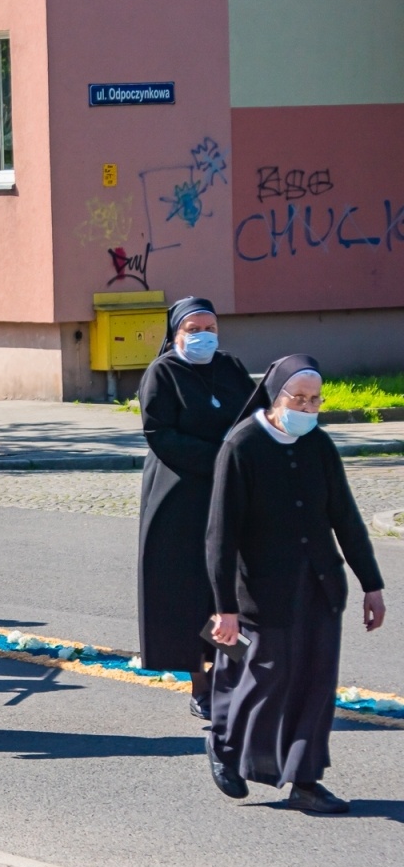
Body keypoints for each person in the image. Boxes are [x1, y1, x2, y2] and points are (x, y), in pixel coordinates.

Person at [204, 356, 386, 815]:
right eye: (298, 398)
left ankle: (305, 781)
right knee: (266, 677)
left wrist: (372, 584)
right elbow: (220, 536)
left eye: (315, 400)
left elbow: (344, 515)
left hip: (320, 586)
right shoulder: (241, 446)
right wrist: (224, 607)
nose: (307, 407)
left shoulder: (318, 445)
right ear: (275, 394)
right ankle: (225, 743)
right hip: (262, 591)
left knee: (315, 683)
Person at [137, 296, 256, 720]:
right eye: (194, 329)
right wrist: (219, 457)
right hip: (180, 493)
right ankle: (199, 680)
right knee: (188, 590)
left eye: (210, 328)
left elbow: (254, 416)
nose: (204, 337)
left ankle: (232, 670)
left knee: (227, 587)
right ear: (175, 334)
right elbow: (159, 433)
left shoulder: (230, 368)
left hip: (230, 492)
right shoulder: (162, 373)